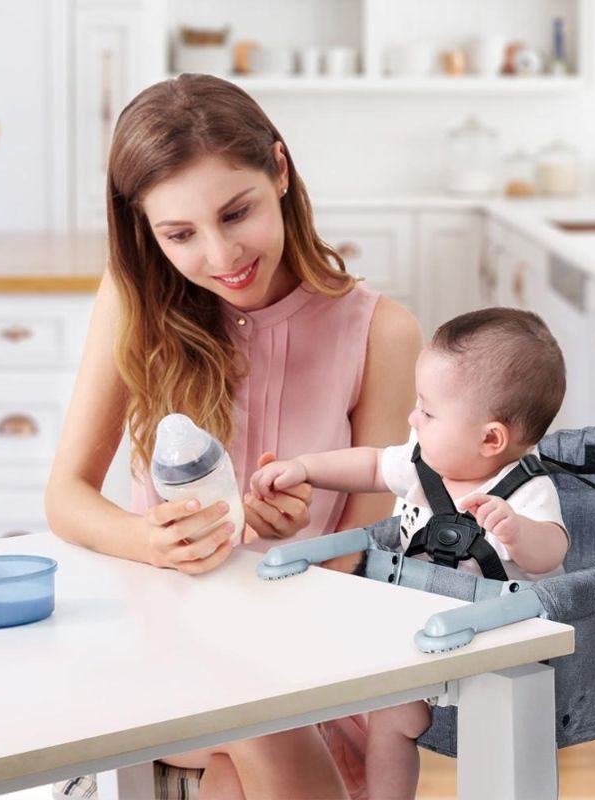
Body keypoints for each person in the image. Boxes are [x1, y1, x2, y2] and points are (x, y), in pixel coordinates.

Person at [45, 73, 421, 800]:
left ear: (279, 171)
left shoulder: (383, 333)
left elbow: (365, 547)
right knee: (250, 729)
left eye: (235, 212)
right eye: (180, 234)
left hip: (314, 648)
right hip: (165, 633)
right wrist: (149, 540)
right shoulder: (135, 305)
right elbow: (67, 498)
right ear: (145, 231)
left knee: (244, 744)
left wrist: (289, 545)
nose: (221, 256)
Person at [250, 307, 570, 800]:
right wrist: (305, 468)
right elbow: (368, 465)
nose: (411, 417)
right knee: (391, 718)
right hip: (417, 632)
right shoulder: (420, 464)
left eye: (428, 410)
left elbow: (552, 553)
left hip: (494, 643)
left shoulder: (526, 489)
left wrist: (517, 530)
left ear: (491, 439)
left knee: (495, 735)